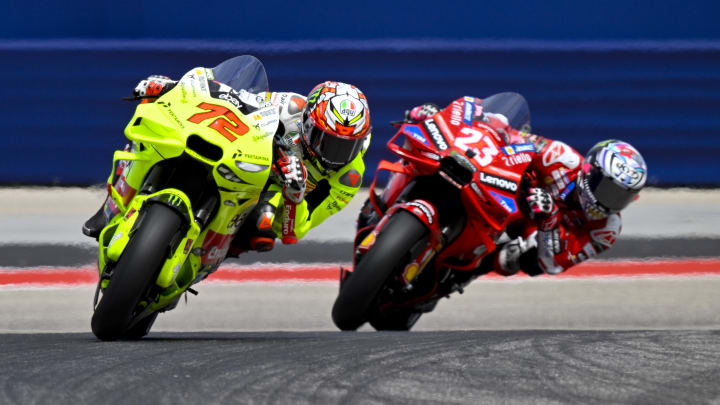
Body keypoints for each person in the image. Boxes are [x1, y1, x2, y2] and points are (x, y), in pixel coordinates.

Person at [83, 73, 372, 256]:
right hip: (247, 160)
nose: (335, 155)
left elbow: (293, 233)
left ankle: (204, 253)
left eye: (348, 146)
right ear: (308, 123)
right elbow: (239, 102)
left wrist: (294, 197)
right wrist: (174, 87)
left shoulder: (348, 178)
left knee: (263, 230)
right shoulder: (290, 107)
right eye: (327, 141)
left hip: (268, 201)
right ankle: (112, 205)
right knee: (154, 127)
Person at [405, 98, 648, 276]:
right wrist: (447, 120)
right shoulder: (560, 157)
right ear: (589, 170)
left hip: (527, 234)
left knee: (514, 259)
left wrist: (550, 218)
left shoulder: (606, 230)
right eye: (607, 189)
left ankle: (458, 273)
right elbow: (512, 136)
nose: (609, 201)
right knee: (430, 160)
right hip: (501, 194)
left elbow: (553, 264)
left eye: (620, 197)